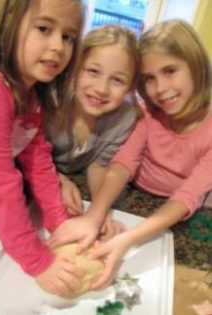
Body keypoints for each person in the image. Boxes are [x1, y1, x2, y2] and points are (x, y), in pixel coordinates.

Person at [83, 19, 212, 289]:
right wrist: (96, 213)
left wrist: (127, 240)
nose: (160, 89)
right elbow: (122, 165)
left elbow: (188, 195)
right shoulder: (147, 111)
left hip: (176, 208)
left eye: (170, 71)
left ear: (196, 64)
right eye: (149, 78)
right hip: (133, 194)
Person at [0, 0, 85, 297]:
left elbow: (37, 158)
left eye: (68, 36)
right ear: (7, 24)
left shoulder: (29, 95)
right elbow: (0, 186)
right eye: (44, 28)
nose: (58, 46)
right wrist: (37, 261)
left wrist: (59, 223)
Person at [47, 24, 140, 249]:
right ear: (76, 68)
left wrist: (98, 212)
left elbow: (99, 165)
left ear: (130, 87)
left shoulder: (124, 118)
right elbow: (28, 154)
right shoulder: (52, 100)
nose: (101, 88)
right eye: (93, 71)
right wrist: (59, 179)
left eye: (117, 80)